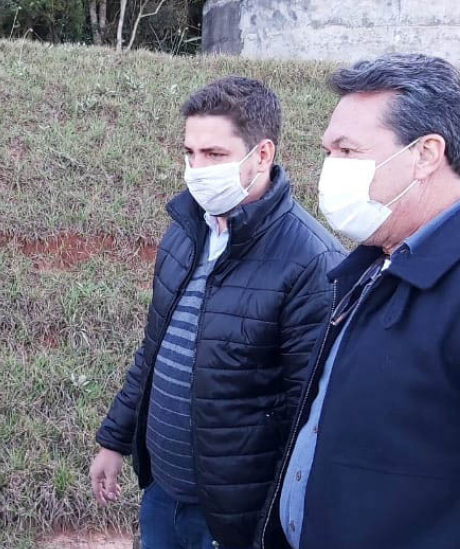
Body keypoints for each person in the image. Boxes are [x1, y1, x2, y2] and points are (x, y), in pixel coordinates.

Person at [90, 76, 344, 549]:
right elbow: (154, 350)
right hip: (161, 492)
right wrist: (115, 440)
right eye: (190, 153)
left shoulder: (313, 261)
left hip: (233, 517)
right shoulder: (185, 231)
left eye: (214, 155)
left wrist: (270, 525)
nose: (196, 169)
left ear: (262, 154)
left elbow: (307, 414)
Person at [263, 53, 460, 549]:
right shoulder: (376, 262)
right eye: (328, 151)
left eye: (348, 151)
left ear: (426, 154)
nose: (330, 168)